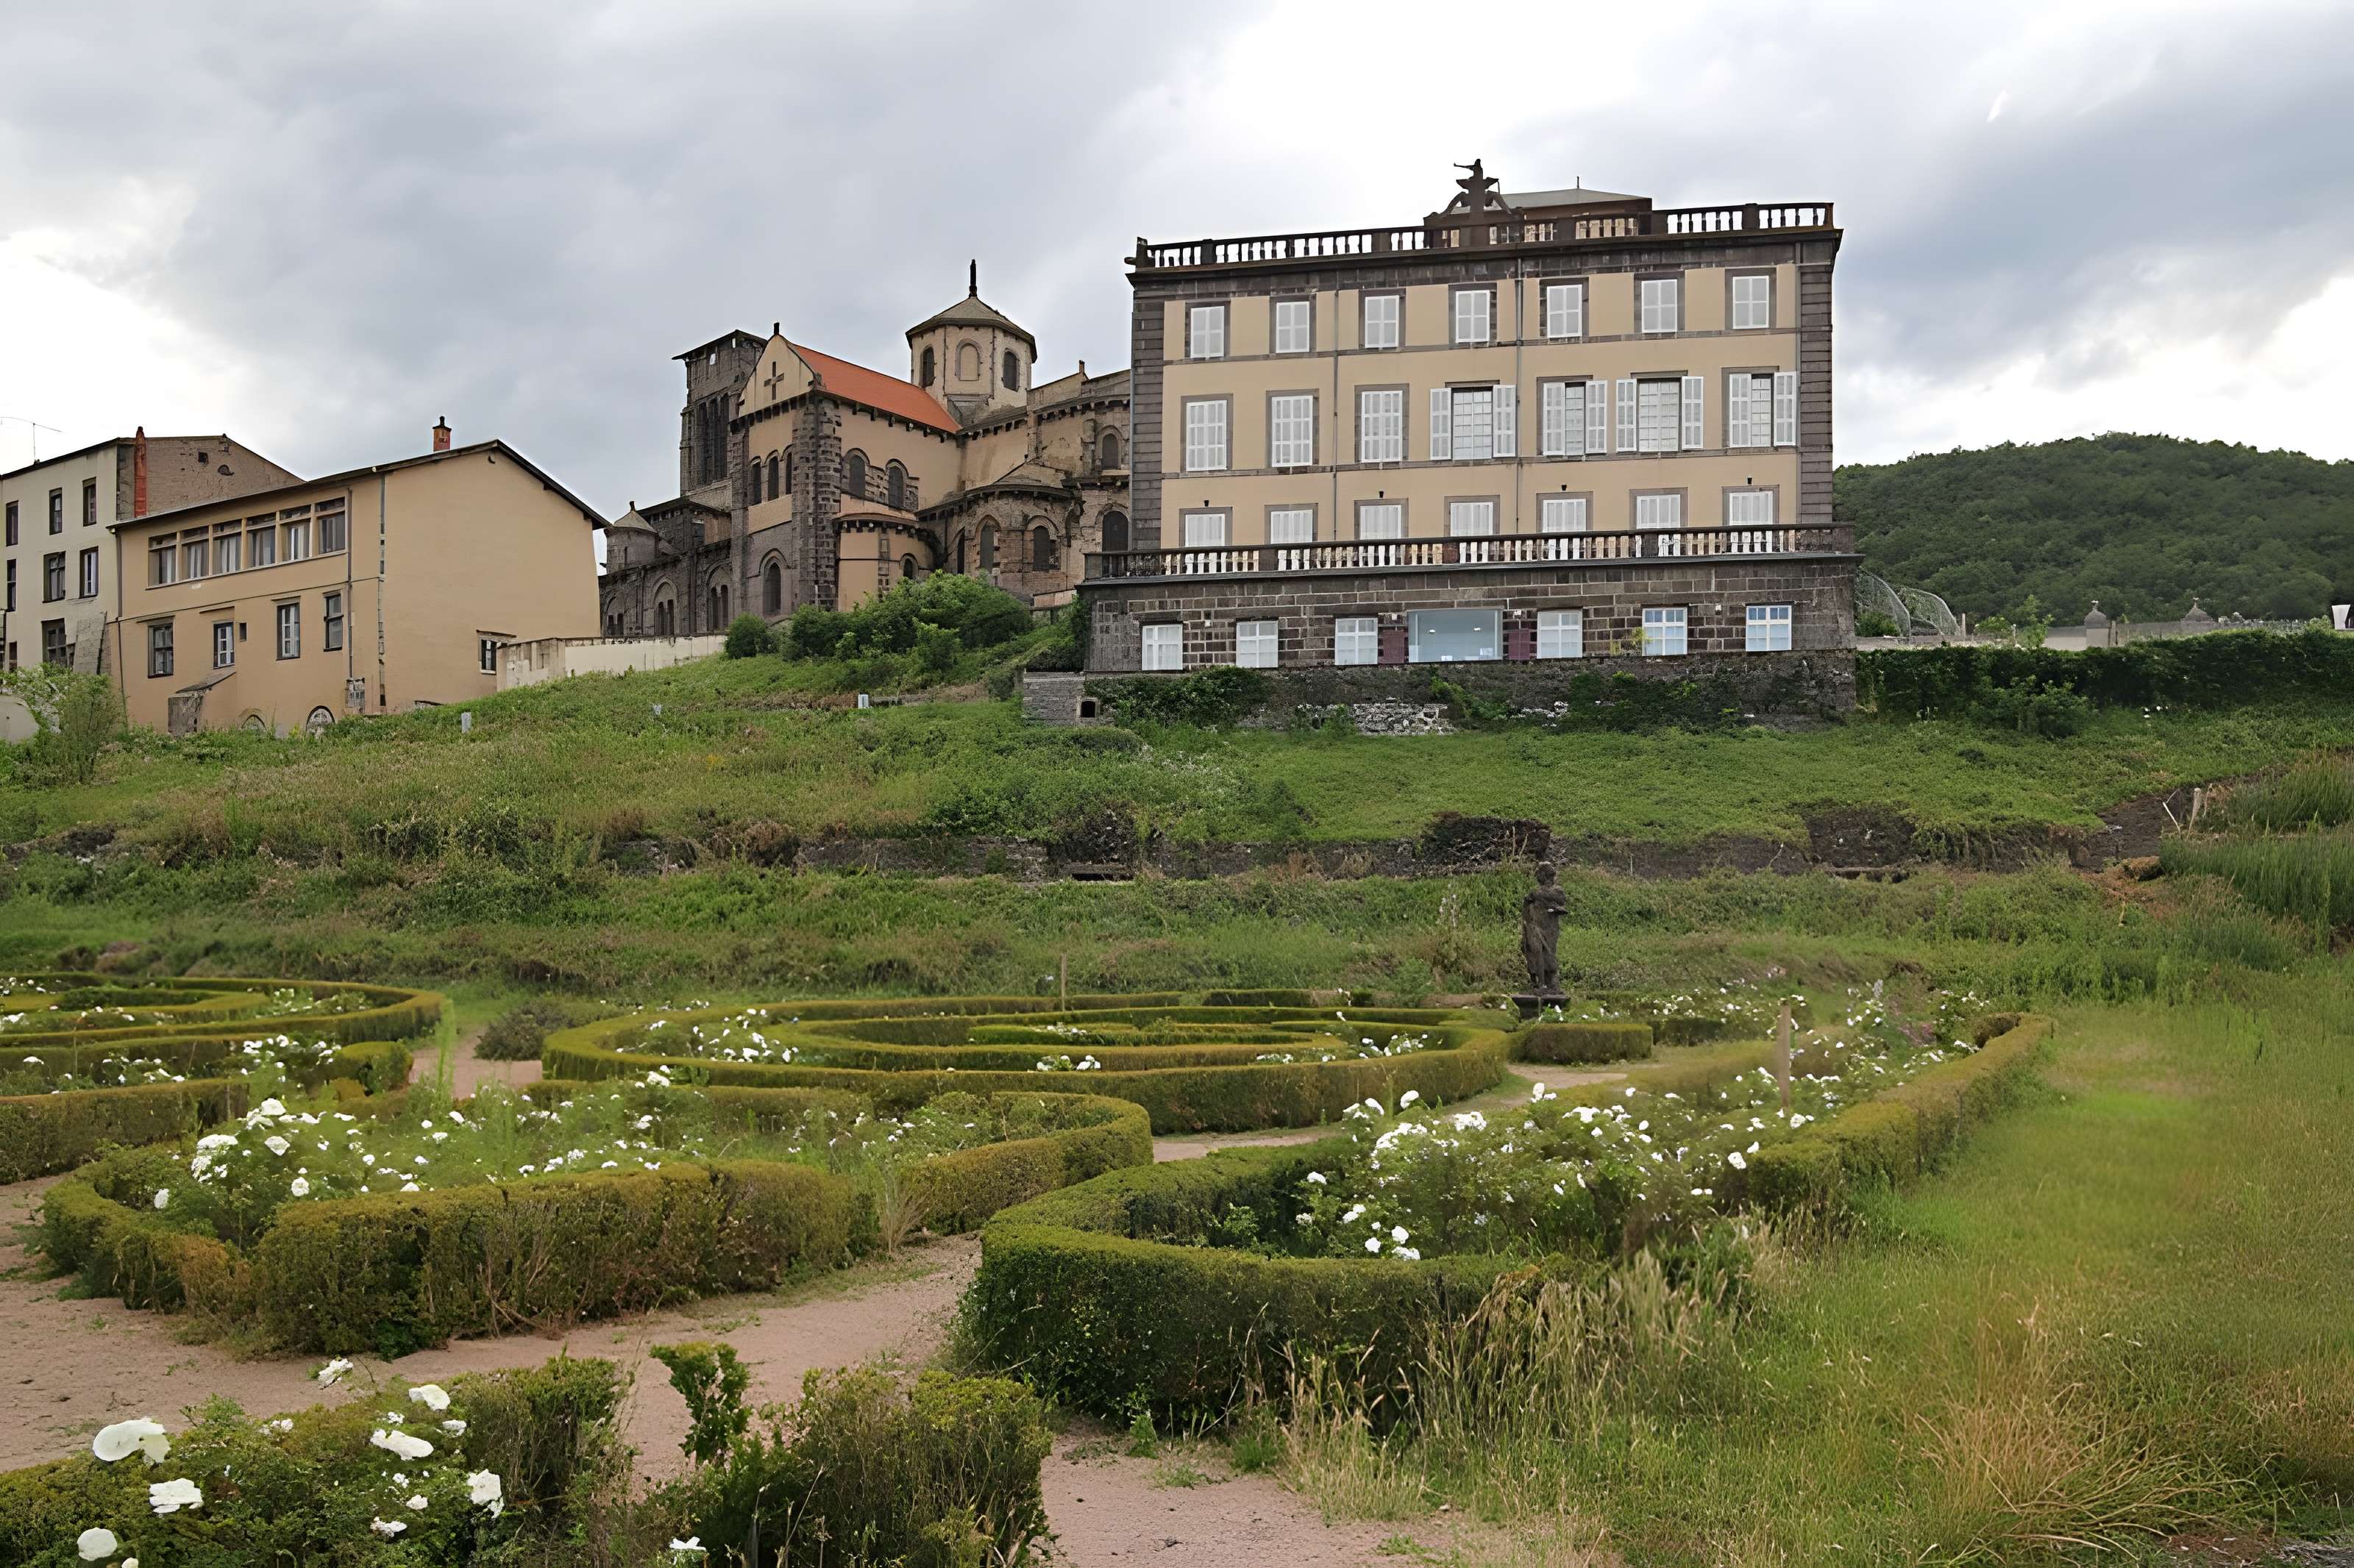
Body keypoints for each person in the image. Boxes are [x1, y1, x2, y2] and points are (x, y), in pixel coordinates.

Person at [1520, 860, 1568, 994]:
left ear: (1545, 874)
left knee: (1548, 954)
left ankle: (1551, 985)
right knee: (1535, 952)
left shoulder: (1556, 891)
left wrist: (1554, 907)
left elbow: (1561, 902)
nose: (1537, 876)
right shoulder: (1535, 893)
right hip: (1535, 927)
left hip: (1549, 928)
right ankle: (1538, 984)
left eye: (1539, 873)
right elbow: (1526, 907)